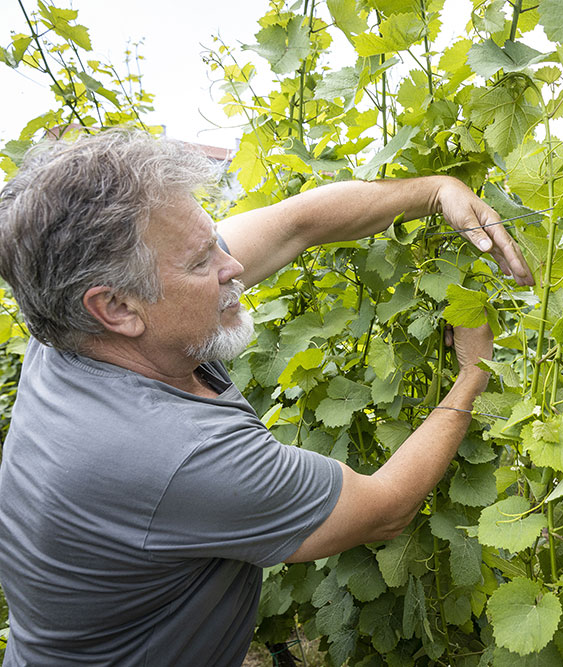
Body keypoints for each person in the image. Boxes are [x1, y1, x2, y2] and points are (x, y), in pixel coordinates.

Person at [0, 129, 533, 665]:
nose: (231, 266)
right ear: (115, 307)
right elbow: (384, 509)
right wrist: (471, 373)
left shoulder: (74, 334)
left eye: (215, 242)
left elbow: (295, 224)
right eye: (201, 261)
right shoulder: (175, 455)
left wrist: (436, 191)